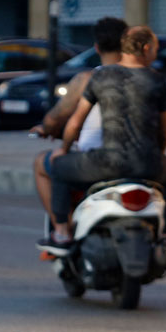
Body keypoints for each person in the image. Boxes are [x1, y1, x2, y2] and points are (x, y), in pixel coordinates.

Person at [40, 26, 166, 254]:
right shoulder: (156, 80)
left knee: (58, 168)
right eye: (155, 48)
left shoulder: (101, 76)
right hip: (148, 164)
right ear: (146, 48)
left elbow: (75, 122)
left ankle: (62, 232)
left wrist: (63, 149)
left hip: (105, 162)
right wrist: (157, 155)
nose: (155, 53)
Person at [30, 17, 128, 215]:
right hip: (136, 161)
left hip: (94, 161)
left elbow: (58, 120)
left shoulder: (86, 80)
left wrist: (46, 129)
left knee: (43, 163)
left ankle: (62, 230)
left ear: (97, 48)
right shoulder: (142, 80)